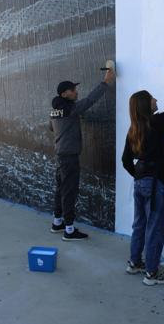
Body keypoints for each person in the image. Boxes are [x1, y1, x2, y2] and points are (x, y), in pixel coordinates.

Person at [121, 63, 164, 285]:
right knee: (155, 228)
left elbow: (125, 161)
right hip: (156, 181)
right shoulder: (156, 123)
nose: (156, 100)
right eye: (153, 99)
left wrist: (140, 177)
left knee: (140, 224)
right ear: (145, 105)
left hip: (141, 183)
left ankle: (134, 263)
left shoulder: (134, 130)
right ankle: (151, 273)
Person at [49, 67, 115, 241]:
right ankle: (69, 230)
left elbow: (52, 128)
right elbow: (90, 100)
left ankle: (58, 222)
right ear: (65, 94)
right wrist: (106, 82)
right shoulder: (70, 109)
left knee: (61, 189)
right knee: (69, 191)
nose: (76, 92)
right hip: (69, 157)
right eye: (73, 90)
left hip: (60, 155)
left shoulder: (55, 110)